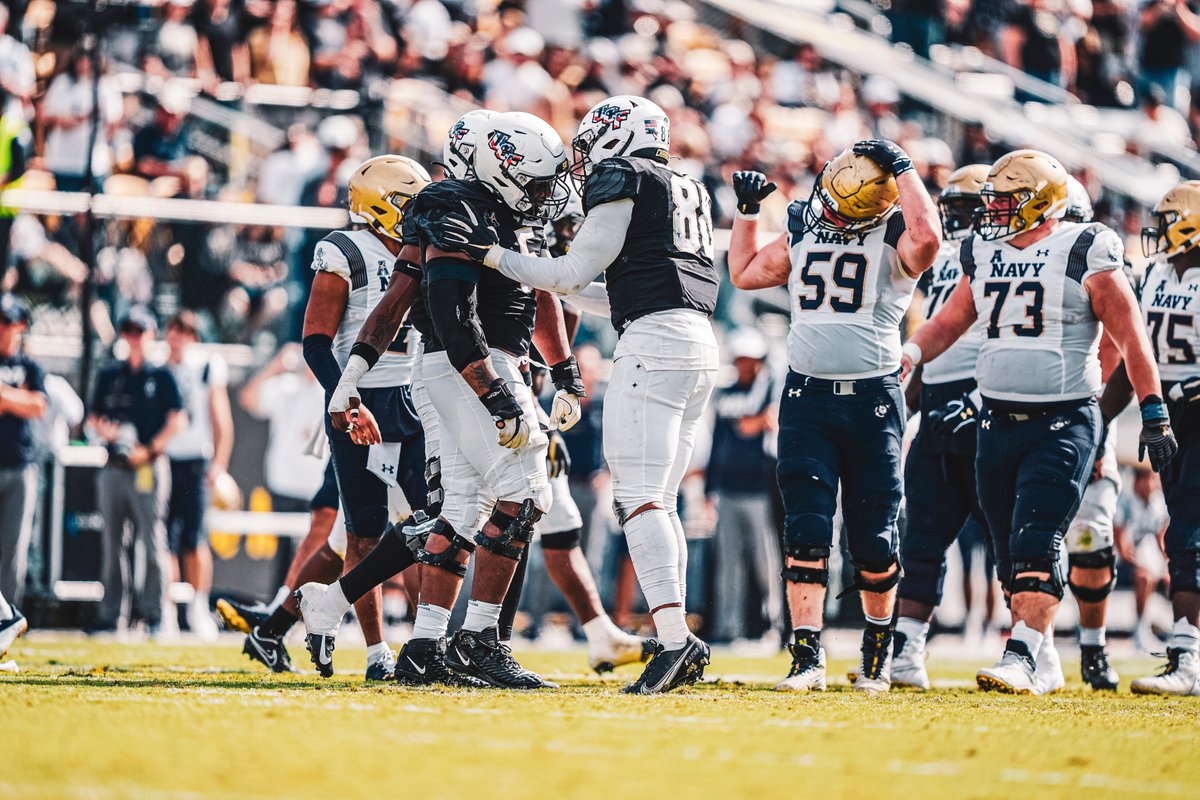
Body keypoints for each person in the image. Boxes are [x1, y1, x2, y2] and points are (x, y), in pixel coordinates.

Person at [433, 96, 723, 694]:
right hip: (696, 342)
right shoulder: (687, 185)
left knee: (639, 502)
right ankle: (677, 639)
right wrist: (549, 290)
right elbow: (610, 290)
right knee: (660, 502)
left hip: (654, 347)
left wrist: (487, 255)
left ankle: (672, 642)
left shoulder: (627, 176)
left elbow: (565, 273)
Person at [302, 113, 577, 690]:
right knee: (526, 497)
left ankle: (424, 647)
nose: (542, 193)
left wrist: (353, 372)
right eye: (533, 179)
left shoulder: (480, 211)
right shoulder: (459, 208)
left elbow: (397, 301)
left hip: (444, 369)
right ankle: (478, 641)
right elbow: (451, 314)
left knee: (461, 510)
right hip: (471, 364)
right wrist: (495, 392)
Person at [901, 150, 1175, 694]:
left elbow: (1131, 337)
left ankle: (1022, 654)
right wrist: (909, 353)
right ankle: (1044, 655)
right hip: (996, 420)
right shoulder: (982, 251)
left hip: (1063, 419)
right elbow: (950, 321)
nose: (994, 210)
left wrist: (1153, 410)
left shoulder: (1083, 248)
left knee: (1037, 537)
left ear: (1042, 202)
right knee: (1009, 552)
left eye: (1007, 200)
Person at [725, 139, 941, 693]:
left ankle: (875, 655)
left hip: (871, 400)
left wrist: (904, 167)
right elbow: (746, 272)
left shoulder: (895, 233)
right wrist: (746, 215)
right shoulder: (802, 223)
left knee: (873, 537)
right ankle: (806, 658)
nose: (832, 207)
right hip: (807, 398)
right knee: (806, 528)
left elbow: (930, 238)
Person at [293, 154, 434, 682]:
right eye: (406, 204)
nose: (416, 214)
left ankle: (428, 643)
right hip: (361, 399)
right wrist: (346, 399)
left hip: (415, 398)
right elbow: (315, 342)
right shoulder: (345, 249)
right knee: (365, 532)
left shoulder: (422, 249)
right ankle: (378, 653)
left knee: (430, 524)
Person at [889, 164, 990, 691]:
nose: (953, 219)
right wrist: (905, 403)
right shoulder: (948, 258)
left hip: (987, 404)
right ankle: (907, 646)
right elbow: (931, 337)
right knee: (922, 533)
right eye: (948, 209)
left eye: (963, 210)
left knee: (1014, 538)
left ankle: (1030, 645)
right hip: (938, 408)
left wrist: (980, 396)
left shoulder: (1001, 256)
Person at [1107, 179, 1200, 695]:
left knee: (1188, 536)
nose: (1157, 233)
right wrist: (1098, 416)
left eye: (1168, 221)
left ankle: (1187, 657)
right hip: (1169, 417)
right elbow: (1131, 356)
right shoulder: (1155, 274)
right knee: (1179, 535)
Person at [88, 307, 186, 635]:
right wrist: (109, 432)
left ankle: (156, 614)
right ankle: (112, 614)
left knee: (152, 540)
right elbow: (93, 417)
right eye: (128, 331)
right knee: (113, 542)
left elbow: (178, 420)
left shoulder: (161, 376)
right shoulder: (109, 376)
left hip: (149, 465)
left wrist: (149, 448)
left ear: (151, 335)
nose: (133, 339)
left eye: (139, 332)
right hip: (114, 466)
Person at [1060, 178, 1122, 692]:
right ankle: (1029, 644)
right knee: (1022, 540)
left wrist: (1096, 433)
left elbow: (1113, 352)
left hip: (1083, 416)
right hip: (1027, 415)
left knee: (1089, 541)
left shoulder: (1093, 263)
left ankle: (1093, 647)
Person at [705, 328, 783, 645]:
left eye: (750, 360)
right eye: (740, 359)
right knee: (728, 565)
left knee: (766, 563)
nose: (744, 365)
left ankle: (774, 624)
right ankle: (728, 627)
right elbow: (719, 441)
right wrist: (711, 489)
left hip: (759, 491)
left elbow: (763, 422)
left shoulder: (768, 388)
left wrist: (756, 421)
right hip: (727, 490)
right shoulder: (727, 394)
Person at [162, 311, 233, 640]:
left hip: (195, 461)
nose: (176, 337)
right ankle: (168, 609)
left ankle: (198, 606)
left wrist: (218, 464)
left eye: (183, 331)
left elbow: (221, 419)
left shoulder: (205, 365)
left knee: (194, 538)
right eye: (172, 330)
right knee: (165, 540)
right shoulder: (161, 369)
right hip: (164, 459)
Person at [0, 294, 45, 607]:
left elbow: (38, 405)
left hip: (19, 465)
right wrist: (19, 398)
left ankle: (6, 618)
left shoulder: (29, 364)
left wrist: (5, 397)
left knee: (14, 547)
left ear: (20, 325)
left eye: (6, 322)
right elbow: (27, 402)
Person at [1114, 467, 1170, 653]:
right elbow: (1123, 547)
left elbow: (1161, 540)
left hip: (1149, 561)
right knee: (1144, 577)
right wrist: (1147, 565)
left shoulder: (1158, 503)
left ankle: (1181, 632)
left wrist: (1167, 566)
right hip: (1122, 563)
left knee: (1179, 579)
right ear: (1137, 480)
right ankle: (1141, 631)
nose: (1152, 484)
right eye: (1148, 479)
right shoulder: (1124, 502)